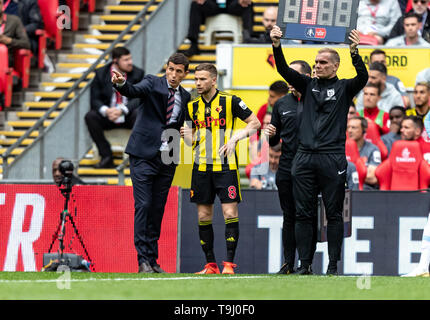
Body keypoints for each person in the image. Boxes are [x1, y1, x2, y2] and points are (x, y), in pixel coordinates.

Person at [270, 26, 368, 275]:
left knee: (333, 214)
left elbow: (363, 78)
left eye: (323, 62)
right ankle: (305, 265)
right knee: (303, 213)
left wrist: (354, 53)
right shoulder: (306, 84)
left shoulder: (345, 88)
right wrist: (277, 45)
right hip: (303, 158)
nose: (318, 65)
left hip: (331, 157)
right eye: (316, 62)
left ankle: (333, 266)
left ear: (335, 66)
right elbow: (283, 70)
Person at [112, 53, 191, 273]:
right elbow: (133, 91)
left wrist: (188, 132)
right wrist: (121, 84)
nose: (173, 75)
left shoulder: (186, 96)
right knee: (144, 205)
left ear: (185, 74)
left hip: (168, 157)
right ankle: (142, 260)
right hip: (143, 154)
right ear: (167, 68)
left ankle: (153, 261)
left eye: (178, 71)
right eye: (171, 69)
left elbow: (188, 126)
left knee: (157, 209)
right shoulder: (152, 82)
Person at [181, 62, 260, 275]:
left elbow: (255, 123)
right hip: (201, 168)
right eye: (196, 79)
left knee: (229, 212)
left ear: (213, 80)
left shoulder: (230, 100)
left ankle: (229, 265)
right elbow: (190, 140)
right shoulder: (191, 106)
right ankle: (211, 265)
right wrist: (188, 136)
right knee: (204, 216)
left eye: (202, 79)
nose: (198, 83)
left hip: (226, 167)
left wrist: (235, 137)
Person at [265, 59, 314, 275]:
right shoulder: (281, 104)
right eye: (289, 75)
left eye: (295, 75)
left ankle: (306, 264)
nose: (290, 80)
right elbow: (274, 144)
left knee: (307, 215)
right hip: (286, 167)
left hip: (310, 168)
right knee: (289, 216)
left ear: (306, 77)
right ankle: (288, 264)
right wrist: (271, 137)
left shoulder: (316, 100)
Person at [85, 47, 144, 168]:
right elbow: (94, 99)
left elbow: (139, 97)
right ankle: (106, 156)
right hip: (109, 115)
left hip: (128, 115)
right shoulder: (101, 73)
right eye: (126, 60)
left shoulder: (138, 73)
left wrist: (122, 110)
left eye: (130, 58)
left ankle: (137, 156)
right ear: (115, 61)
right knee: (90, 116)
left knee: (140, 114)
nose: (130, 62)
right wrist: (106, 111)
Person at [184, 0, 254, 57]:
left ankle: (248, 39)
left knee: (248, 3)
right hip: (213, 4)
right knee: (195, 4)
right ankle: (193, 44)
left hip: (232, 4)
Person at [347, 116, 382, 190]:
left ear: (364, 130)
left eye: (354, 128)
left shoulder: (373, 149)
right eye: (348, 127)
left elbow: (372, 178)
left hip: (365, 189)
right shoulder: (341, 148)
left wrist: (349, 173)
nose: (349, 130)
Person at [0, 0, 31, 66]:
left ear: (3, 6)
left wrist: (9, 41)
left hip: (5, 60)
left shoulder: (14, 21)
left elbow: (26, 44)